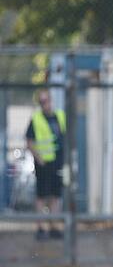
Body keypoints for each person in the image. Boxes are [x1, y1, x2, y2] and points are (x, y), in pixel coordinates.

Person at [26, 89, 65, 240]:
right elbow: (29, 142)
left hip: (57, 162)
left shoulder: (60, 116)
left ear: (51, 100)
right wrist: (39, 158)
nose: (45, 104)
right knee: (41, 196)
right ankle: (41, 228)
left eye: (47, 100)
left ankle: (54, 226)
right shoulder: (36, 119)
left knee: (56, 195)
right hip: (43, 164)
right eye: (42, 102)